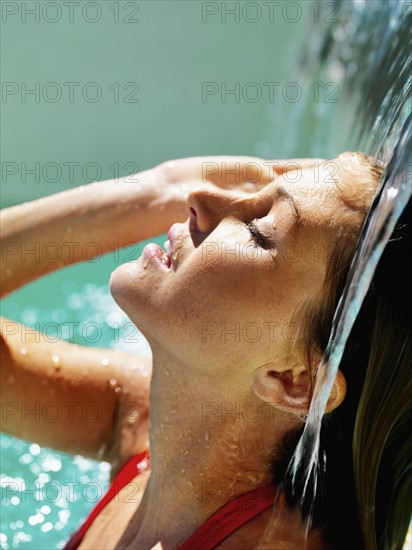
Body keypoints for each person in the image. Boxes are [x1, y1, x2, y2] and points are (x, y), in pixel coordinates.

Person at [0, 153, 409, 550]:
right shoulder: (141, 420)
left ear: (293, 380)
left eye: (258, 230)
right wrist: (159, 187)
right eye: (258, 193)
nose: (198, 199)